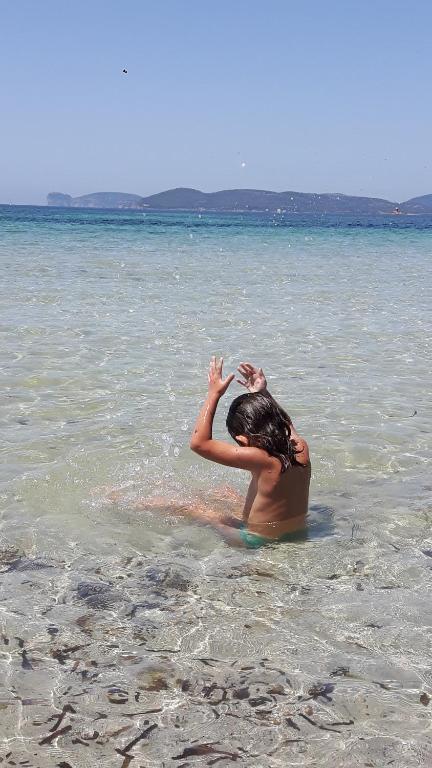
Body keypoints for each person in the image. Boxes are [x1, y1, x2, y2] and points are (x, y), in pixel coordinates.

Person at [188, 357, 311, 548]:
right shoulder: (300, 447)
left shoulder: (262, 459)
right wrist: (263, 393)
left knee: (196, 509)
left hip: (256, 540)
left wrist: (214, 393)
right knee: (226, 493)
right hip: (298, 532)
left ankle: (143, 505)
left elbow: (199, 443)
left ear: (243, 439)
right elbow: (286, 423)